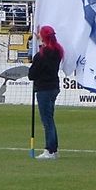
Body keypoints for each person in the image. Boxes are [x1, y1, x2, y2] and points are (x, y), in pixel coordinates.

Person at [29, 25, 63, 160]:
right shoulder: (58, 51)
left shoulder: (41, 56)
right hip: (54, 86)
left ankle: (50, 149)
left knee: (47, 121)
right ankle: (53, 149)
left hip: (44, 89)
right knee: (50, 119)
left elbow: (32, 75)